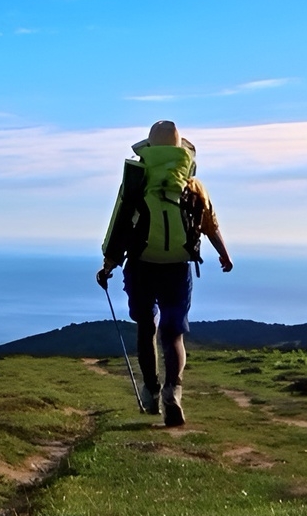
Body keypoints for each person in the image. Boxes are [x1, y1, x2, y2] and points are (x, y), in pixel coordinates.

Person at [96, 120, 233, 427]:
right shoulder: (193, 185)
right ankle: (174, 390)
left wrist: (108, 263)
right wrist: (224, 254)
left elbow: (120, 225)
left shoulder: (137, 183)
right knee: (173, 334)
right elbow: (209, 223)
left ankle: (151, 389)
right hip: (177, 267)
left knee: (147, 327)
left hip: (142, 264)